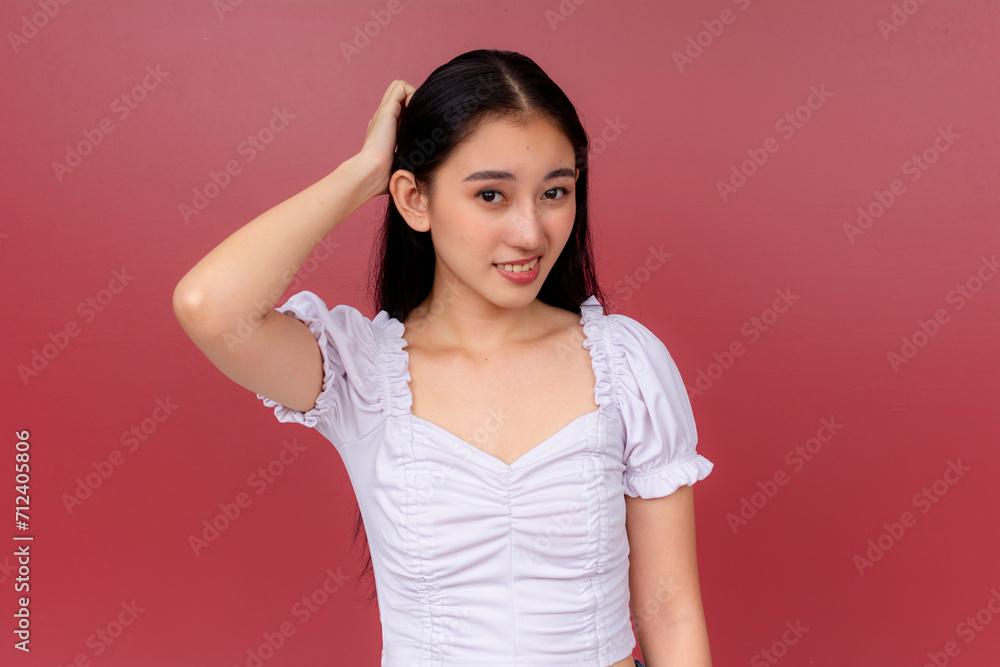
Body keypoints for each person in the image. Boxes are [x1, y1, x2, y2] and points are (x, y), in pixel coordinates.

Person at [173, 48, 713, 667]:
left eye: (554, 192)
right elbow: (209, 306)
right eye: (492, 195)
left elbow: (671, 613)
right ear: (414, 200)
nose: (530, 232)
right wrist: (364, 172)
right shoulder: (362, 373)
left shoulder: (626, 364)